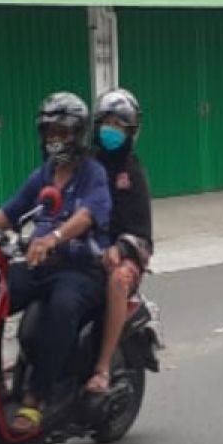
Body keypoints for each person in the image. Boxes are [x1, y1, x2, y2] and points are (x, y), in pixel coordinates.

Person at [0, 92, 112, 434]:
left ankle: (36, 398)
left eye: (61, 133)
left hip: (82, 270)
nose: (54, 140)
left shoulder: (93, 173)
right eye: (49, 132)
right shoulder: (44, 175)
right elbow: (10, 212)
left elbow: (87, 215)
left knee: (61, 309)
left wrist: (54, 237)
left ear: (77, 135)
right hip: (41, 264)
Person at [84, 88, 153, 395]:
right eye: (107, 123)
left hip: (128, 249)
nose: (113, 131)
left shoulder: (132, 172)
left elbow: (140, 229)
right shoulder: (86, 164)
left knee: (117, 279)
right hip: (87, 245)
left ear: (131, 131)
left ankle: (102, 366)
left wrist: (120, 248)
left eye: (120, 125)